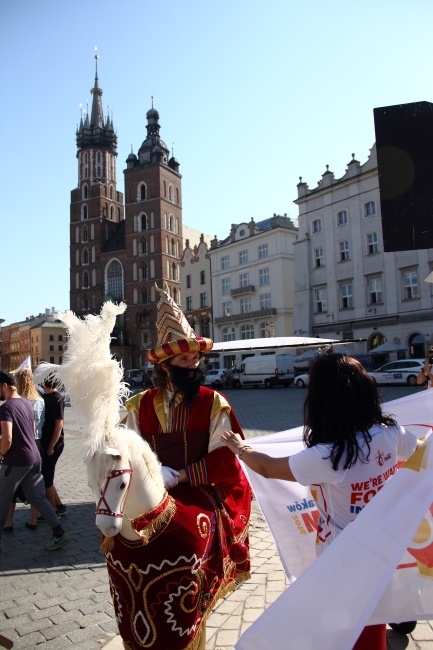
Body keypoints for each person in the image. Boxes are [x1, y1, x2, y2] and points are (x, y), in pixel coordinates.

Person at [221, 353, 419, 650]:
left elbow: (265, 467)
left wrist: (241, 448)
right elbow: (419, 453)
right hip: (383, 548)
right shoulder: (391, 433)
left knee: (351, 633)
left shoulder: (329, 456)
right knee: (371, 621)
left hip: (343, 562)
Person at [124, 285, 251, 650]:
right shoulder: (137, 406)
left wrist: (180, 475)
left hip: (198, 487)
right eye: (184, 361)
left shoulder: (214, 403)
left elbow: (226, 455)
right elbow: (126, 450)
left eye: (196, 359)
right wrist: (148, 476)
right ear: (165, 367)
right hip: (152, 491)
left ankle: (197, 611)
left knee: (197, 535)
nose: (193, 365)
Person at [0, 370, 70, 551]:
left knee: (3, 497)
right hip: (34, 456)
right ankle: (59, 533)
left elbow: (7, 438)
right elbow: (32, 430)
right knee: (37, 498)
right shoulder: (26, 403)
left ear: (4, 386)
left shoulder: (6, 408)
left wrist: (2, 453)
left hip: (16, 459)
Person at [3, 368, 45, 531]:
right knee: (34, 486)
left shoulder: (17, 402)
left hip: (19, 444)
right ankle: (34, 519)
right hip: (36, 443)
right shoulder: (39, 400)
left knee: (10, 487)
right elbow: (40, 424)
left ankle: (7, 522)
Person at [40, 376, 67, 516]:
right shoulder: (47, 396)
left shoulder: (56, 398)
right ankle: (60, 505)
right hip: (47, 443)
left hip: (53, 444)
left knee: (46, 479)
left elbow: (59, 424)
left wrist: (51, 446)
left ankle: (53, 511)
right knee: (47, 475)